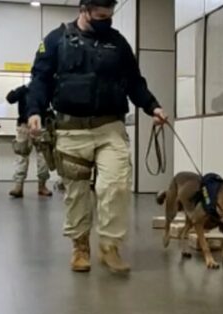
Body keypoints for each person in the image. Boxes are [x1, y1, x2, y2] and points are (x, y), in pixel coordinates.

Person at [26, 0, 167, 274]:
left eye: (109, 16)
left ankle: (110, 246)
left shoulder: (118, 43)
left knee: (116, 185)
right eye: (100, 16)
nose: (106, 21)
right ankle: (80, 247)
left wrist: (153, 106)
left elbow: (134, 81)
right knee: (77, 193)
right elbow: (40, 79)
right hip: (70, 129)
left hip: (109, 127)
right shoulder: (56, 40)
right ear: (84, 10)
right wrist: (34, 111)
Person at [6, 85, 53, 198]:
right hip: (24, 125)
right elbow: (10, 98)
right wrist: (21, 90)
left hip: (41, 126)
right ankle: (18, 186)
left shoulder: (45, 89)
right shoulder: (24, 90)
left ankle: (42, 186)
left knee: (43, 157)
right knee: (21, 155)